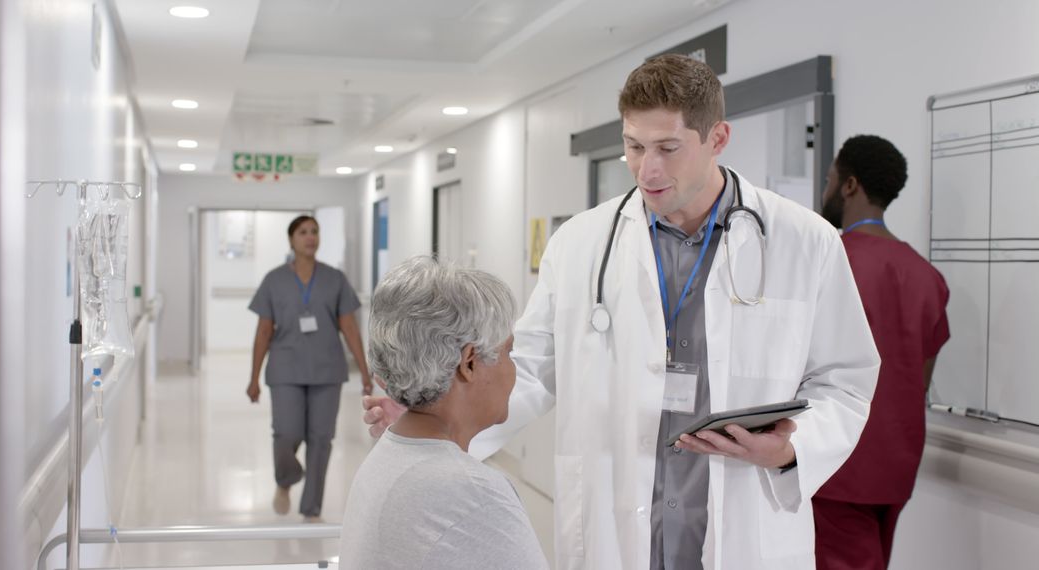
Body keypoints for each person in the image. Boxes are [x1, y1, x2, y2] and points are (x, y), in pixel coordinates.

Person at [365, 54, 880, 569]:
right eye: (633, 146)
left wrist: (792, 452)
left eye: (667, 148)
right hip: (617, 528)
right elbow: (531, 369)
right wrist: (435, 415)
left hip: (741, 525)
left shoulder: (804, 240)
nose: (645, 169)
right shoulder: (580, 243)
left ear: (717, 139)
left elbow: (845, 379)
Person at [340, 257, 548, 570]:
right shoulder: (476, 493)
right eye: (508, 352)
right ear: (469, 362)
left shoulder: (390, 453)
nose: (514, 369)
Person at [815, 135, 950, 570]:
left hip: (838, 465)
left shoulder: (829, 261)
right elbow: (921, 379)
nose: (826, 190)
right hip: (896, 465)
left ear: (850, 185)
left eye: (831, 179)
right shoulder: (926, 276)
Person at [247, 214, 372, 522]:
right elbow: (264, 331)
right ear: (291, 239)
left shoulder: (335, 279)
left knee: (321, 438)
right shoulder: (274, 280)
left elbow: (350, 328)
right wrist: (253, 379)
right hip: (285, 369)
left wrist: (366, 372)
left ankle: (311, 508)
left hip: (326, 370)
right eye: (303, 232)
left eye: (314, 231)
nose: (310, 237)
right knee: (286, 432)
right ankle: (286, 480)